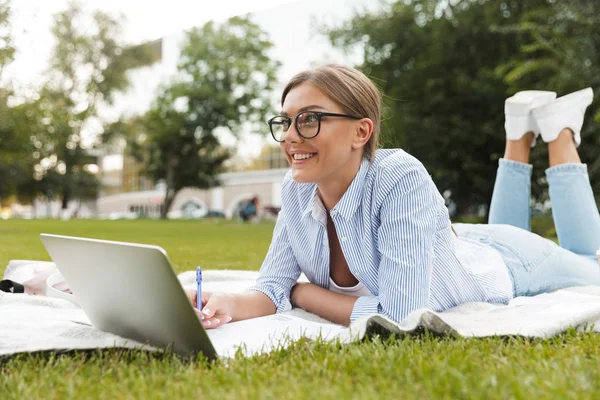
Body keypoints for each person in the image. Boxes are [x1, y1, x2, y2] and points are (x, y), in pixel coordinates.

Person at [188, 64, 600, 329]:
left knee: (593, 264)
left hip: (513, 263)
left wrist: (302, 293)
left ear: (361, 132)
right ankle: (518, 132)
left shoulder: (398, 176)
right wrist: (227, 301)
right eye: (286, 122)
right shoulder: (296, 189)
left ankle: (558, 133)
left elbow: (402, 316)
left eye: (310, 120)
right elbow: (270, 288)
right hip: (463, 242)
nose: (292, 136)